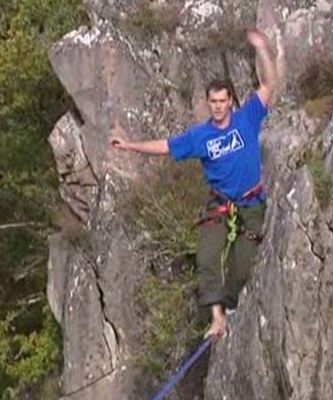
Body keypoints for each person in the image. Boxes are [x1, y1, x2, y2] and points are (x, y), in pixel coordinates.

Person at [109, 28, 276, 341]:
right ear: (208, 103)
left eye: (222, 101)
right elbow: (166, 146)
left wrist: (263, 49)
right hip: (220, 202)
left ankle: (230, 305)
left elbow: (269, 84)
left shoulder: (247, 118)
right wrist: (130, 145)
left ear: (230, 102)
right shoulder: (200, 136)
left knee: (242, 263)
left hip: (251, 201)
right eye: (212, 101)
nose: (217, 106)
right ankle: (216, 318)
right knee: (207, 255)